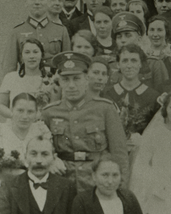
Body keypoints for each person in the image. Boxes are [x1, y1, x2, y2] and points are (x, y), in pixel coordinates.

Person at [41, 52, 129, 191]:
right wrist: (50, 162)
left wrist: (121, 191)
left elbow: (119, 154)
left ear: (87, 79)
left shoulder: (105, 109)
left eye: (77, 78)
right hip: (62, 182)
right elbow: (40, 149)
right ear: (60, 81)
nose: (71, 85)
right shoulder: (49, 113)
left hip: (97, 182)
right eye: (66, 79)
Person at [2, 0, 71, 74]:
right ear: (26, 2)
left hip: (53, 84)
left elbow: (67, 65)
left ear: (48, 1)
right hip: (26, 84)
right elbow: (9, 68)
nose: (37, 2)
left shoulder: (61, 30)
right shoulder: (17, 32)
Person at [103, 44, 160, 139]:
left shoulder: (153, 96)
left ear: (140, 63)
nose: (129, 65)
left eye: (134, 60)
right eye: (125, 61)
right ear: (118, 64)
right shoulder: (107, 93)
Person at [111, 12, 169, 93]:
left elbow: (163, 95)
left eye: (128, 35)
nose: (123, 40)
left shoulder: (154, 64)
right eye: (119, 37)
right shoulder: (111, 65)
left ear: (139, 39)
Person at [0, 39, 47, 119]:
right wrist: (16, 117)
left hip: (42, 125)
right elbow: (0, 105)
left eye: (35, 52)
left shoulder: (49, 79)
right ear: (21, 56)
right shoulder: (11, 77)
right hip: (16, 125)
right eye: (27, 52)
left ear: (42, 55)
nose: (31, 56)